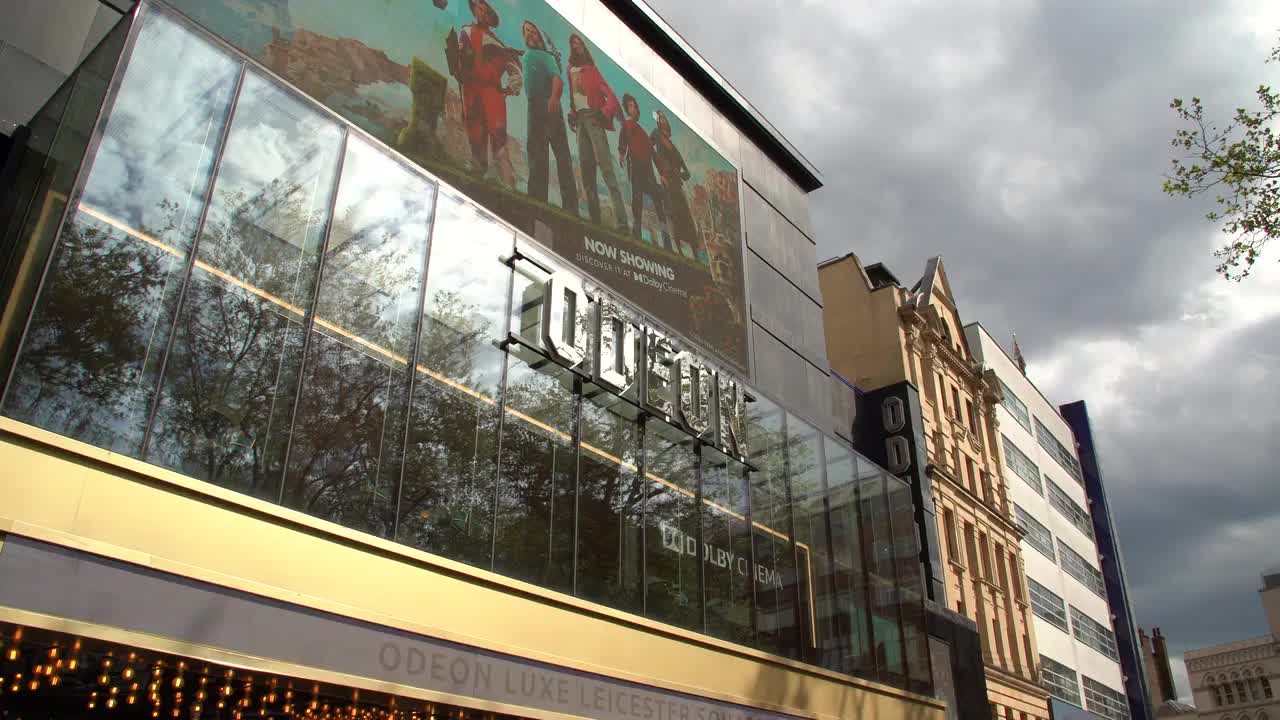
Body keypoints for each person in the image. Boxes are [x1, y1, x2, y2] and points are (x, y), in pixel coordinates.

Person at [452, 0, 522, 180]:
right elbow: (460, 61)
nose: (482, 13)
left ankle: (507, 181)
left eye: (486, 11)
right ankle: (477, 169)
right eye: (479, 9)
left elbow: (513, 67)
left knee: (497, 134)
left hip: (492, 92)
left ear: (491, 18)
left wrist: (512, 85)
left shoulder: (498, 43)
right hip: (470, 88)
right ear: (474, 10)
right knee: (474, 128)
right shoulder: (465, 31)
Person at [566, 33, 628, 232]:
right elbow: (574, 96)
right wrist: (572, 112)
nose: (577, 46)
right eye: (573, 44)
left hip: (594, 118)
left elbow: (612, 97)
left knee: (606, 168)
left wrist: (604, 113)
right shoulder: (570, 70)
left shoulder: (593, 70)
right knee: (586, 170)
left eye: (579, 43)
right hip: (580, 121)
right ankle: (595, 220)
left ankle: (622, 223)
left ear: (584, 46)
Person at [521, 20, 577, 212]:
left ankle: (562, 205)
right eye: (526, 32)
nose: (530, 34)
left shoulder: (544, 56)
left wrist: (553, 99)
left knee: (556, 155)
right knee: (540, 152)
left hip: (545, 104)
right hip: (535, 105)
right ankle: (540, 200)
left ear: (539, 35)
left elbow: (557, 79)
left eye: (533, 31)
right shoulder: (529, 55)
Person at [617, 94, 671, 248]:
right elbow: (623, 139)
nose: (633, 108)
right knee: (637, 199)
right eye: (630, 106)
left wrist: (662, 174)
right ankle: (637, 232)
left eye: (634, 105)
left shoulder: (643, 133)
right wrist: (621, 152)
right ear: (627, 110)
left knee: (658, 203)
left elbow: (654, 154)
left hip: (648, 171)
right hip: (635, 166)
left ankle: (666, 240)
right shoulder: (627, 124)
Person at [651, 110, 700, 256]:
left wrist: (683, 173)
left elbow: (687, 173)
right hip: (667, 180)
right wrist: (661, 172)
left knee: (685, 215)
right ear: (658, 122)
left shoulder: (674, 147)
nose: (663, 119)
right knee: (674, 213)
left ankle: (694, 250)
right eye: (660, 118)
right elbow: (650, 149)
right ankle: (678, 248)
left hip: (677, 183)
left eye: (664, 117)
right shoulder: (656, 135)